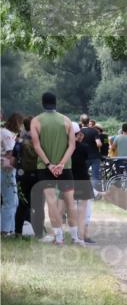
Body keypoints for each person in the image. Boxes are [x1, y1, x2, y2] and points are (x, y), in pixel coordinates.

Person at [30, 93, 83, 246]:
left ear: (42, 103)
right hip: (65, 167)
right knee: (70, 203)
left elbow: (36, 145)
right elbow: (72, 145)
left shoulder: (36, 121)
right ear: (55, 103)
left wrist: (50, 165)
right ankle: (75, 237)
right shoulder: (66, 120)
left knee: (51, 202)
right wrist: (61, 164)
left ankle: (59, 238)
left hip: (45, 168)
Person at [70, 122, 97, 244]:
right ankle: (83, 234)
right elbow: (86, 159)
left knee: (69, 207)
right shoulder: (83, 147)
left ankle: (72, 235)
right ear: (78, 134)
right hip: (83, 179)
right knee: (85, 208)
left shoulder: (64, 148)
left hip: (69, 179)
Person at [1, 113, 24, 237]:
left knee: (10, 201)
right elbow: (10, 153)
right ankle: (5, 230)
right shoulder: (7, 134)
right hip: (6, 170)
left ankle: (8, 228)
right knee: (10, 200)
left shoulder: (3, 132)